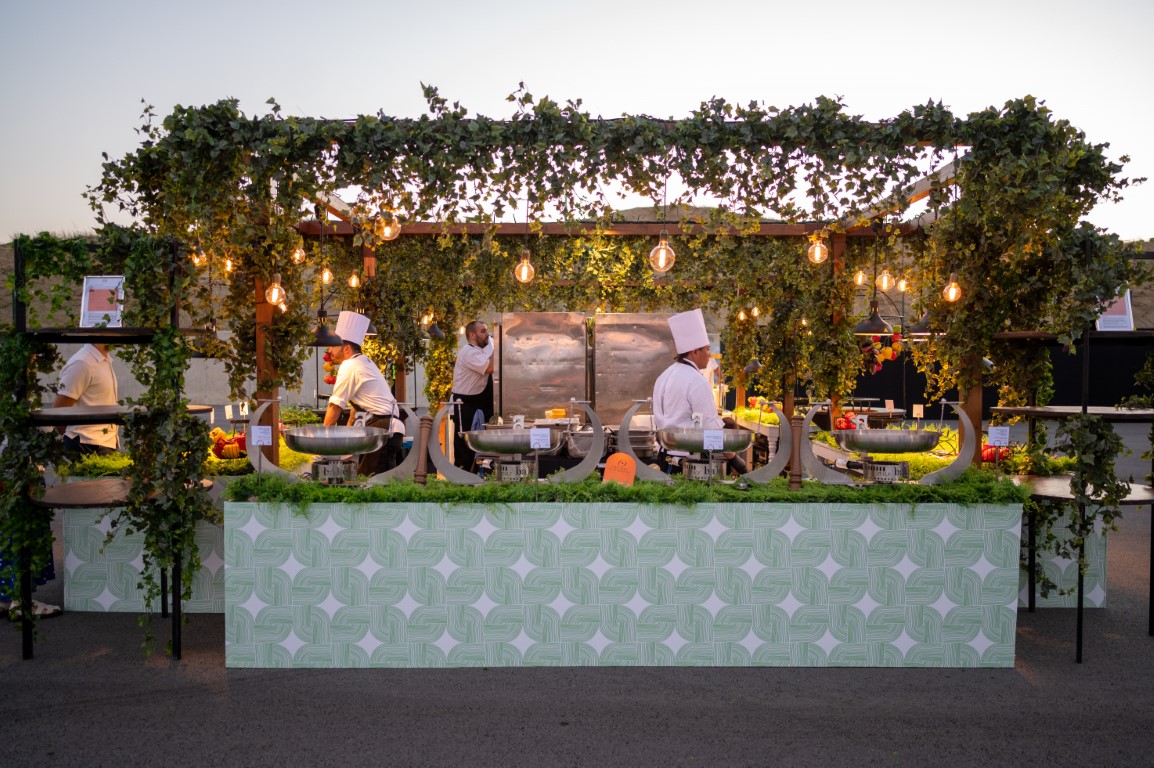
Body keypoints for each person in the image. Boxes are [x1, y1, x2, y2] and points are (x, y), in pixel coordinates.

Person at [652, 309, 746, 476]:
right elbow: (710, 429)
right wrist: (734, 459)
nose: (709, 355)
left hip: (664, 456)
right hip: (687, 461)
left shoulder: (663, 376)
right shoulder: (697, 381)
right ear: (694, 352)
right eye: (707, 349)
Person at [323, 311, 402, 477]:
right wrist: (348, 431)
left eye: (333, 345)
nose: (329, 349)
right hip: (387, 429)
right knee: (368, 479)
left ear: (346, 348)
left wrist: (322, 440)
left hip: (382, 430)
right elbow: (357, 407)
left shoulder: (349, 366)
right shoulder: (364, 362)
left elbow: (335, 407)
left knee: (374, 483)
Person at [54, 343, 119, 456]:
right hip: (86, 442)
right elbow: (60, 409)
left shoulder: (102, 360)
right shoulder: (83, 362)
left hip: (103, 442)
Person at [450, 320, 494, 471]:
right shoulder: (469, 352)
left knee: (480, 446)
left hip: (478, 402)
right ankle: (461, 478)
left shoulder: (481, 352)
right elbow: (490, 367)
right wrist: (498, 346)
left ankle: (478, 475)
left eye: (487, 331)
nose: (487, 334)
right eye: (483, 331)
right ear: (472, 335)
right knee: (464, 447)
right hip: (464, 403)